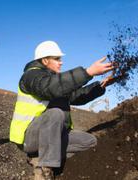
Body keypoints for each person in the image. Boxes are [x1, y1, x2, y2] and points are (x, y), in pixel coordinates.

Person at [9, 41, 115, 179]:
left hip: (52, 135)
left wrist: (100, 86)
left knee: (89, 141)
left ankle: (44, 156)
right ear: (45, 60)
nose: (61, 62)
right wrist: (88, 72)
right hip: (29, 137)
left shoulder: (54, 81)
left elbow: (76, 97)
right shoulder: (31, 76)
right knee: (55, 114)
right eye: (57, 59)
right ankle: (43, 168)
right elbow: (50, 87)